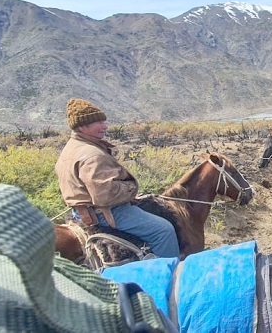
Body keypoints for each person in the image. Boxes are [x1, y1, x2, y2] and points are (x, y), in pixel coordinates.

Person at [55, 98, 180, 258]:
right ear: (82, 126)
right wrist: (130, 189)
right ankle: (169, 274)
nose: (105, 126)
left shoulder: (70, 149)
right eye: (98, 122)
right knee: (164, 230)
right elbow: (106, 195)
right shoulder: (92, 155)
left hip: (80, 212)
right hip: (105, 213)